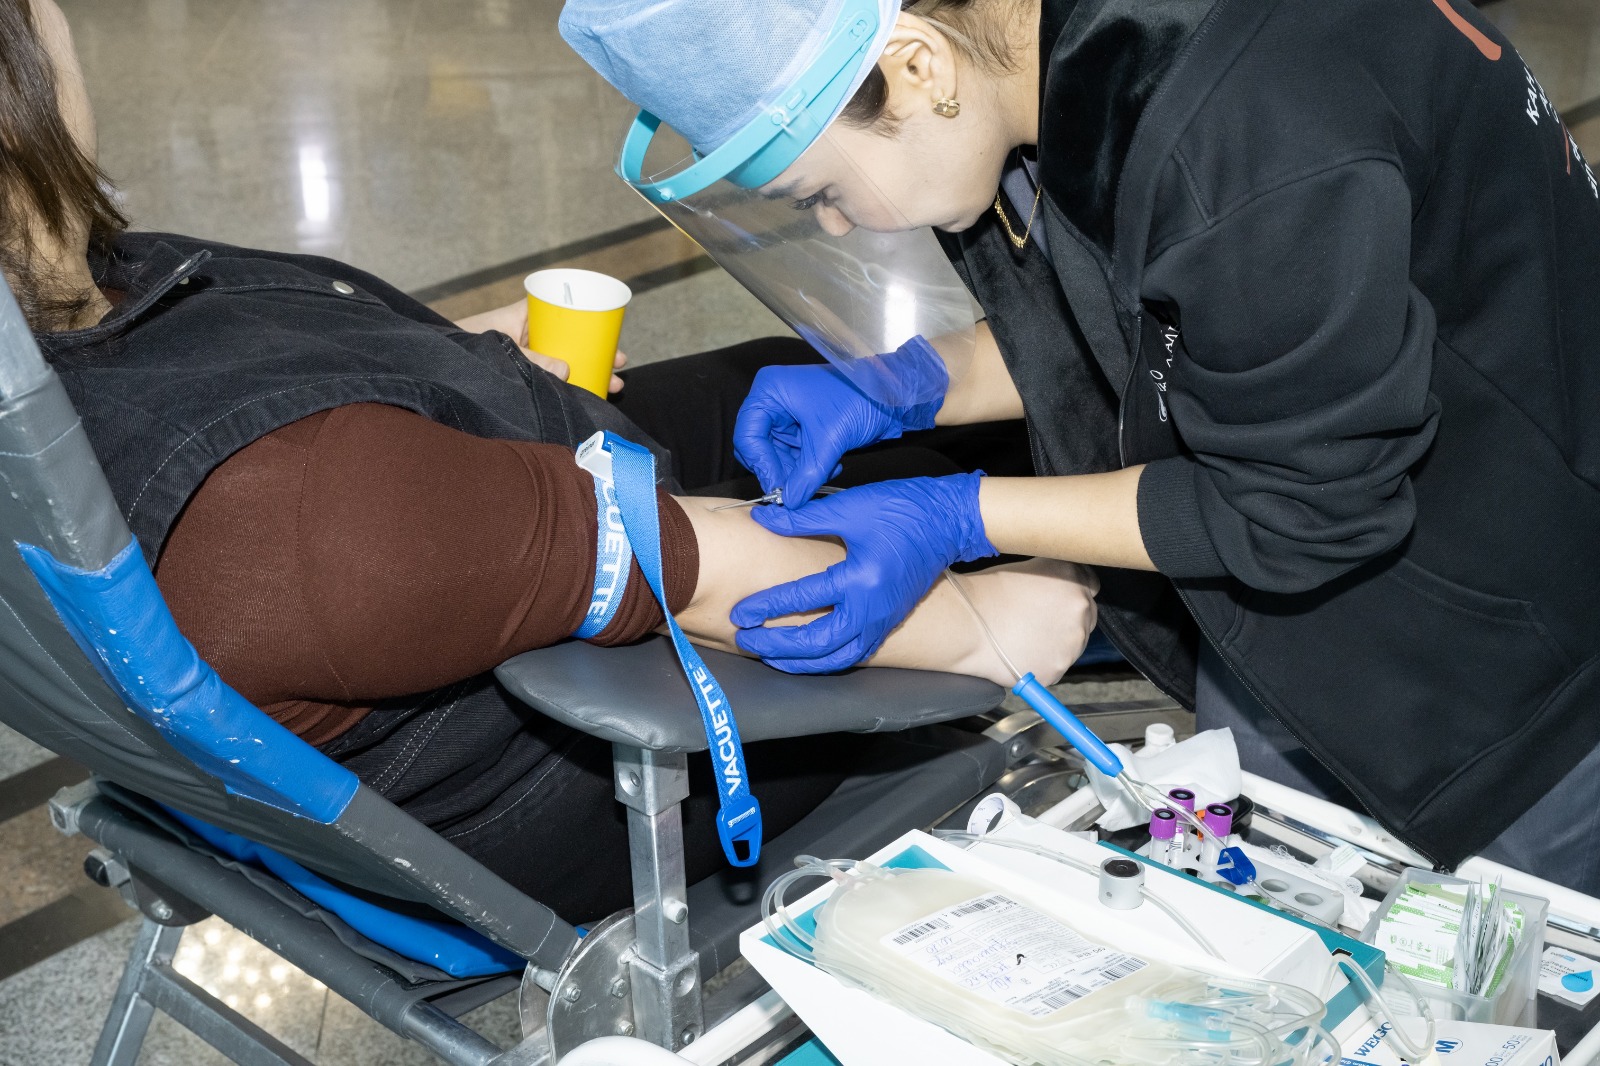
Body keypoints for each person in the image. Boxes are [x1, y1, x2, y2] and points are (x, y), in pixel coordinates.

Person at [3, 0, 1099, 921]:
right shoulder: (300, 511)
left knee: (827, 396)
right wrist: (999, 615)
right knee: (948, 511)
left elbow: (291, 405)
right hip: (573, 762)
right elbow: (717, 573)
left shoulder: (69, 307)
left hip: (467, 541)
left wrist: (453, 361)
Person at [561, 0, 1600, 890]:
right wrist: (907, 384)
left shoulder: (1248, 129)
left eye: (823, 195)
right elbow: (1184, 322)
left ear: (918, 67)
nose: (836, 228)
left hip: (1511, 657)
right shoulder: (1046, 65)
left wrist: (958, 514)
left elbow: (1297, 506)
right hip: (1317, 599)